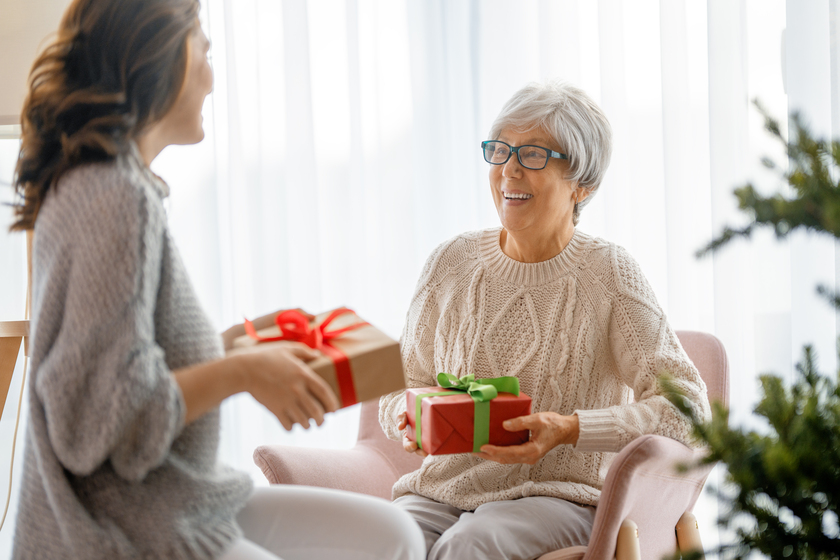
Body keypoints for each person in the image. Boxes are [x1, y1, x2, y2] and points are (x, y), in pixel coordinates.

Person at [9, 1, 425, 559]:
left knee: (394, 534)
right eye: (204, 50)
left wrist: (235, 345)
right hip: (119, 534)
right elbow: (102, 421)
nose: (211, 76)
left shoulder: (111, 183)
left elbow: (126, 362)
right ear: (160, 57)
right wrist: (241, 371)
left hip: (172, 500)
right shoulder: (116, 198)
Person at [379, 80, 712, 560]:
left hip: (560, 498)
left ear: (582, 184)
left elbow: (689, 410)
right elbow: (401, 383)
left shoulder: (609, 274)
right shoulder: (449, 262)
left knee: (468, 547)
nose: (509, 169)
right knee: (384, 539)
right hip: (441, 491)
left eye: (533, 154)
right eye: (500, 150)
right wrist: (410, 419)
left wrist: (572, 428)